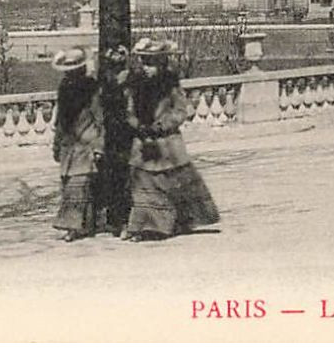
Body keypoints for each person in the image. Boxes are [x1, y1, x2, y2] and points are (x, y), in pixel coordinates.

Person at [122, 37, 220, 241]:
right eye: (144, 62)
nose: (147, 68)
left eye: (151, 63)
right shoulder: (136, 86)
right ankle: (146, 226)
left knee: (175, 183)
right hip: (143, 144)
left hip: (168, 144)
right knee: (144, 186)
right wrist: (136, 125)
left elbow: (181, 111)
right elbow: (128, 111)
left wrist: (163, 124)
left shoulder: (171, 84)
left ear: (161, 63)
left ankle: (177, 221)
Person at [51, 47, 104, 241]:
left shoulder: (91, 88)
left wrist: (99, 145)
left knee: (78, 184)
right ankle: (85, 224)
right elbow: (60, 119)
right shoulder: (64, 88)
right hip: (68, 145)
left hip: (86, 142)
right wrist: (56, 144)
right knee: (70, 185)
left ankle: (73, 227)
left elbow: (100, 118)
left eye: (73, 71)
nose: (69, 75)